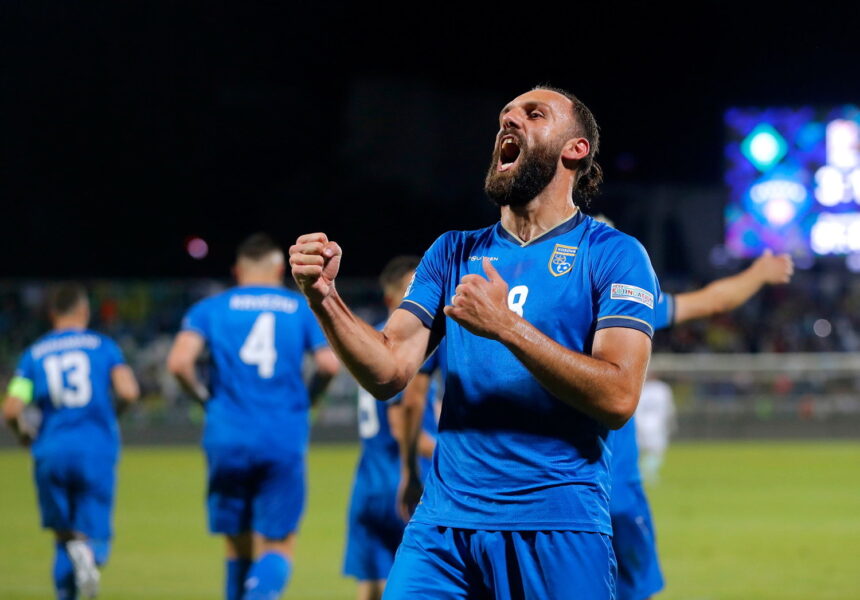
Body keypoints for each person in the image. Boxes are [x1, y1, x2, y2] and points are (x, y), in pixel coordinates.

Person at [290, 86, 659, 599]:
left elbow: (618, 397)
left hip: (558, 524)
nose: (510, 121)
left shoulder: (614, 254)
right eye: (505, 115)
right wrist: (325, 299)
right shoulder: (452, 252)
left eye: (534, 114)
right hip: (444, 527)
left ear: (575, 149)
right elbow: (388, 370)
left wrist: (507, 326)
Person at [610, 249, 794, 600]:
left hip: (542, 490)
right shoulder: (622, 296)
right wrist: (758, 274)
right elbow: (713, 301)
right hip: (612, 490)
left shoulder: (532, 304)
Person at [166, 233, 339, 600]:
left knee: (237, 545)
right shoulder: (300, 308)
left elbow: (179, 363)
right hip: (282, 434)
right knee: (278, 544)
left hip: (227, 434)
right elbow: (329, 365)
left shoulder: (210, 308)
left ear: (237, 271)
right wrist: (308, 400)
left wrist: (204, 400)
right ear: (279, 270)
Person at [2, 282, 140, 599]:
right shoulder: (103, 346)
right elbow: (129, 391)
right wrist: (111, 416)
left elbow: (11, 409)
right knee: (94, 536)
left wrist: (24, 435)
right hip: (95, 448)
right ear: (84, 311)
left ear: (52, 314)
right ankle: (90, 555)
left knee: (64, 539)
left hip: (51, 450)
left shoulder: (34, 354)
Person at [343, 255, 438, 600]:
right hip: (402, 482)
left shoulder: (370, 343)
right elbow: (402, 426)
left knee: (370, 584)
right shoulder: (409, 346)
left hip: (367, 482)